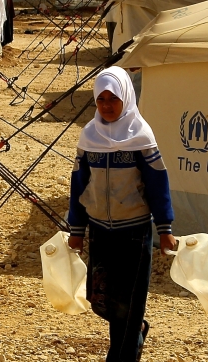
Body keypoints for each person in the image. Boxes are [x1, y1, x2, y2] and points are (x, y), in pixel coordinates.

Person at [67, 66, 175, 362]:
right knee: (102, 300)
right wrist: (76, 230)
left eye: (112, 98)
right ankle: (136, 331)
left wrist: (165, 230)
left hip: (135, 232)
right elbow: (79, 184)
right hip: (100, 231)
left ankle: (121, 355)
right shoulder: (89, 136)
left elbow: (157, 184)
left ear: (125, 97)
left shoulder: (141, 136)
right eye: (101, 99)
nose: (107, 106)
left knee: (129, 302)